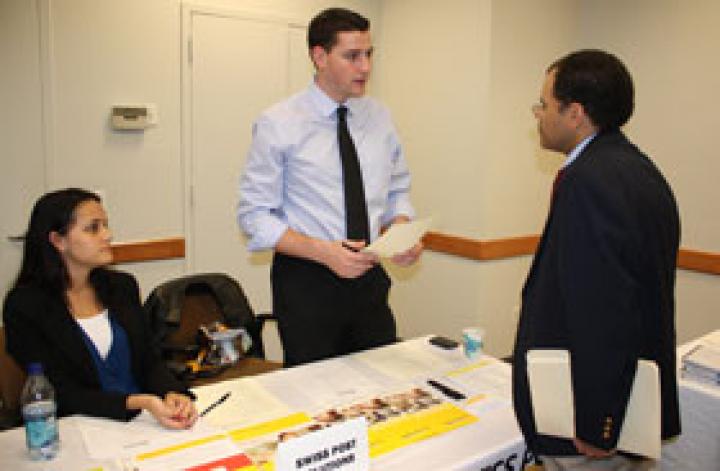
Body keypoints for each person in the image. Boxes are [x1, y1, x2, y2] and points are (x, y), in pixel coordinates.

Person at [512, 50, 681, 470]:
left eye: (544, 105)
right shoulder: (639, 169)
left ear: (575, 114)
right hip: (627, 401)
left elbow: (604, 311)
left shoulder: (589, 182)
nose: (538, 116)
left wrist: (597, 422)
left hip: (588, 424)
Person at [237, 7, 422, 366]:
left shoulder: (379, 117)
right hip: (308, 283)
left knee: (382, 385)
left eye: (369, 54)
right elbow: (254, 216)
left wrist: (401, 231)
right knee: (317, 400)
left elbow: (398, 190)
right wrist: (325, 253)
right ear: (319, 56)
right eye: (352, 56)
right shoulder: (279, 123)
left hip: (370, 279)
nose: (365, 67)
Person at [3, 188, 197, 428]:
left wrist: (171, 392)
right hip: (75, 428)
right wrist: (138, 402)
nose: (108, 235)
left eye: (105, 225)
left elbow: (149, 360)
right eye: (93, 228)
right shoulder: (24, 305)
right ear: (58, 240)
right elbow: (61, 392)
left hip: (143, 423)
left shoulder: (122, 286)